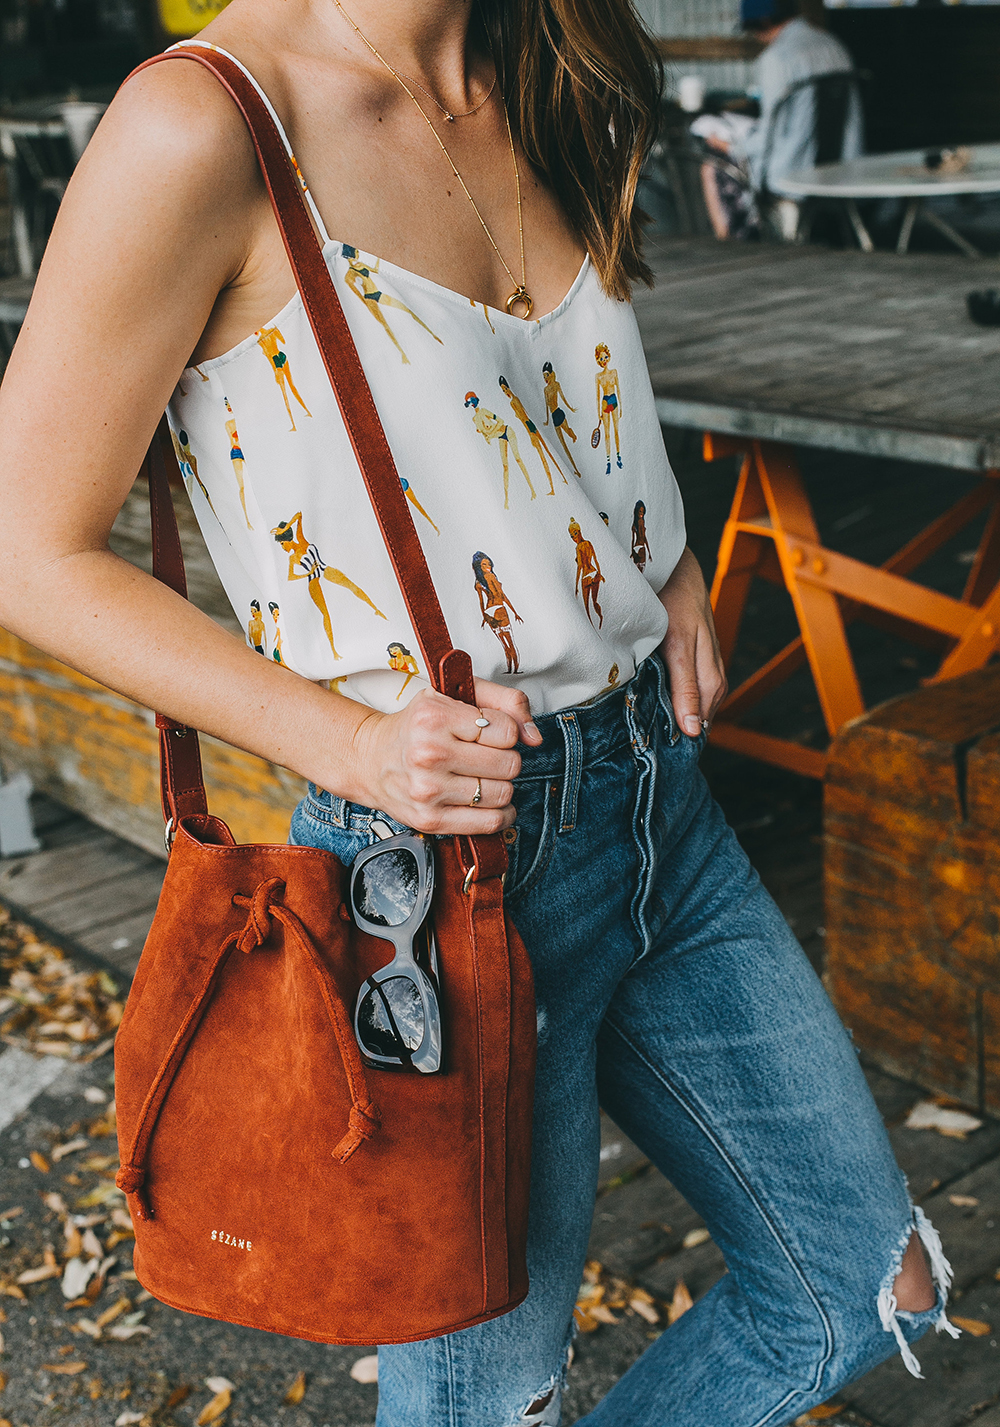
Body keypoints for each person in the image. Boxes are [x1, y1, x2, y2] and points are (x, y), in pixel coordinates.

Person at [0, 0, 950, 1422]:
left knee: (863, 1280)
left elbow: (545, 404)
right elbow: (29, 548)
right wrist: (346, 740)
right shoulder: (203, 125)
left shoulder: (547, 63)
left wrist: (666, 555)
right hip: (445, 867)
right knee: (488, 1397)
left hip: (661, 803)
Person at [699, 0, 862, 240]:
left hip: (790, 171)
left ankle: (732, 245)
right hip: (841, 165)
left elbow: (770, 135)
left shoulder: (777, 58)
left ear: (763, 22)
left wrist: (731, 145)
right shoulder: (833, 45)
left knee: (712, 166)